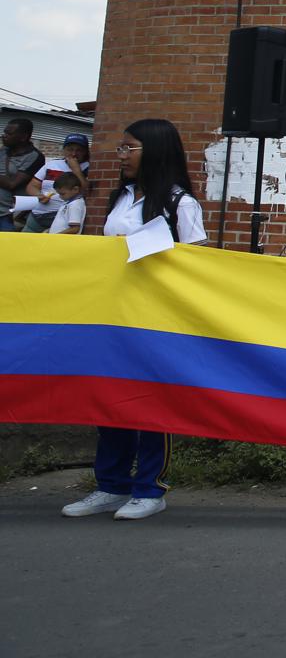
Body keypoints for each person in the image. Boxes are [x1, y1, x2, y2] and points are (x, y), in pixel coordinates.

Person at [62, 118, 206, 521]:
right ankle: (109, 485)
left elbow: (197, 265)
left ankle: (149, 488)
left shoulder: (181, 203)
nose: (120, 155)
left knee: (149, 404)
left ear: (155, 151)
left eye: (129, 148)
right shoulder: (119, 198)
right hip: (113, 315)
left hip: (156, 319)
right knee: (109, 401)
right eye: (121, 148)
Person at [18, 133, 88, 231]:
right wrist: (39, 195)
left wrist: (76, 169)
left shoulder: (88, 168)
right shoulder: (52, 164)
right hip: (37, 214)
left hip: (61, 216)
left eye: (79, 150)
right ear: (64, 150)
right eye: (70, 149)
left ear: (85, 152)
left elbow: (86, 191)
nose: (74, 154)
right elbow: (32, 186)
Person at [0, 118, 47, 224]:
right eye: (4, 132)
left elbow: (12, 184)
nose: (4, 135)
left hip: (8, 215)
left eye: (9, 133)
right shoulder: (3, 151)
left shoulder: (34, 157)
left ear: (23, 137)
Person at [43, 169, 86, 233]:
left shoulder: (75, 204)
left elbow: (75, 228)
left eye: (62, 194)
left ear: (75, 189)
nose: (60, 197)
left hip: (64, 241)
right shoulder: (68, 203)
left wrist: (56, 236)